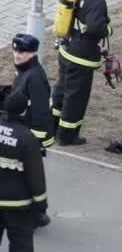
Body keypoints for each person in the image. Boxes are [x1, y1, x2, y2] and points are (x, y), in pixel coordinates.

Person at [51, 0, 114, 145]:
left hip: (67, 49)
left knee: (61, 90)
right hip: (81, 57)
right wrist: (108, 30)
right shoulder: (96, 0)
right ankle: (68, 136)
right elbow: (95, 29)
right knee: (76, 97)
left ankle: (52, 127)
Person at [11, 34, 52, 228]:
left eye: (23, 51)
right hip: (22, 134)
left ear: (33, 53)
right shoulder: (25, 70)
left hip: (27, 138)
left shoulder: (34, 77)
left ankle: (36, 215)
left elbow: (41, 112)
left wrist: (34, 143)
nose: (18, 55)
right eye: (16, 50)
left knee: (27, 179)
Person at [0, 92, 48, 252]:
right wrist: (41, 205)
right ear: (24, 111)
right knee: (21, 246)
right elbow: (36, 177)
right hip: (18, 206)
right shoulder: (27, 138)